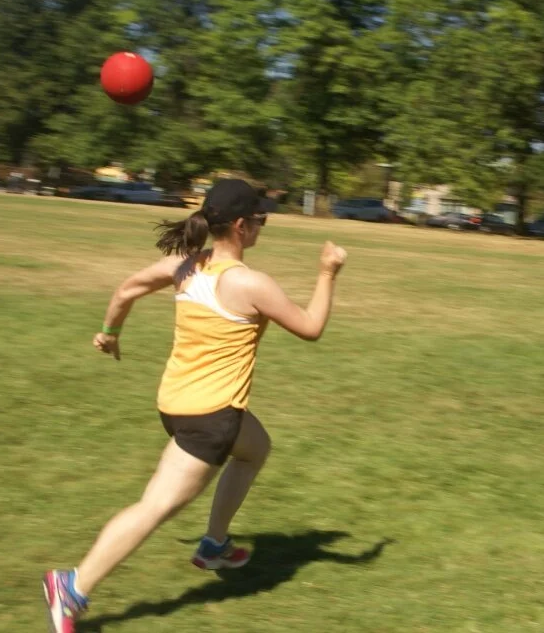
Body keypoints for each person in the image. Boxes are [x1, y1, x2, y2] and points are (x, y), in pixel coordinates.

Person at [43, 179, 348, 632]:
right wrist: (327, 272)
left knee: (255, 448)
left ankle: (215, 545)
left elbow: (127, 289)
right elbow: (310, 327)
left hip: (176, 402)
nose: (264, 225)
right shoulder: (249, 283)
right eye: (261, 219)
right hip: (210, 417)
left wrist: (110, 332)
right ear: (242, 226)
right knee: (156, 506)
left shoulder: (186, 266)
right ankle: (72, 586)